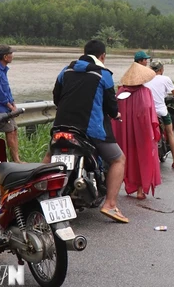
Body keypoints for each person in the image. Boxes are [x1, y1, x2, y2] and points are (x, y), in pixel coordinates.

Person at [52, 40, 128, 223]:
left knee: (49, 157)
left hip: (61, 126)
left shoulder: (66, 70)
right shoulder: (104, 75)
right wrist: (115, 114)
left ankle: (37, 196)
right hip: (90, 130)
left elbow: (56, 98)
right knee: (118, 159)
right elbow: (111, 106)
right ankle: (110, 204)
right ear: (102, 56)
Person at [112, 62, 160, 200]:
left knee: (123, 158)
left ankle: (114, 189)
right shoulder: (145, 92)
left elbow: (115, 113)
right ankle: (140, 190)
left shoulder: (120, 92)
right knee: (142, 159)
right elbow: (150, 115)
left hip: (124, 134)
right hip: (142, 134)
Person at [145, 60, 174, 168]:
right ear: (161, 70)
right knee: (170, 133)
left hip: (148, 112)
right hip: (162, 112)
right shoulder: (165, 79)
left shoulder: (145, 79)